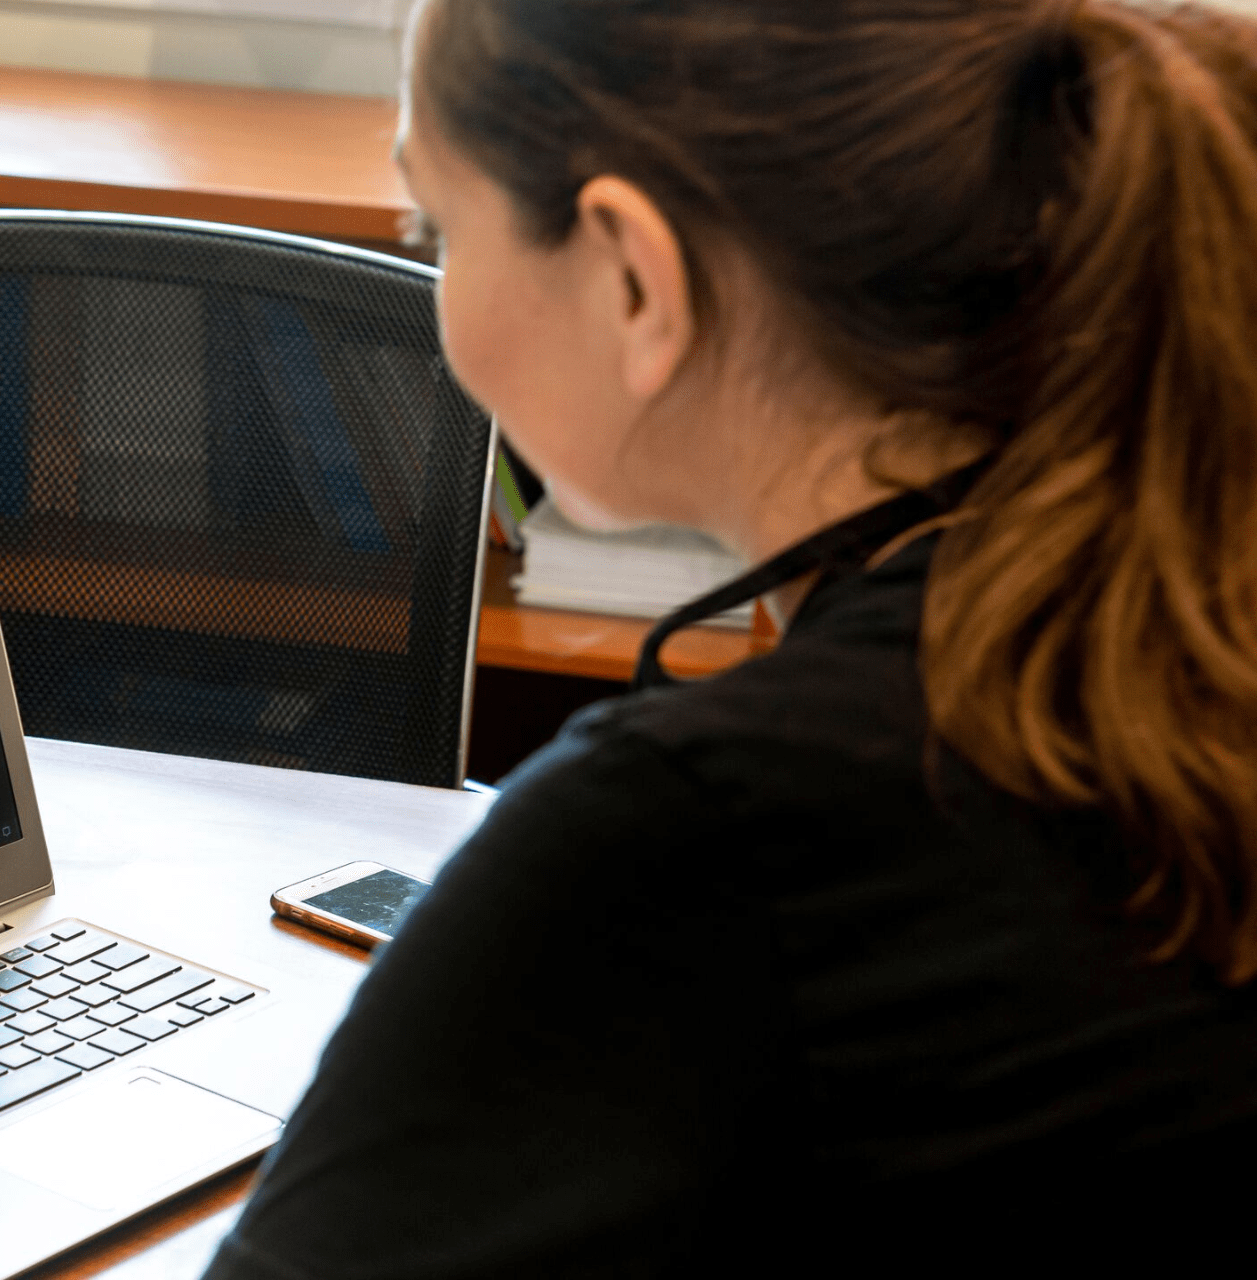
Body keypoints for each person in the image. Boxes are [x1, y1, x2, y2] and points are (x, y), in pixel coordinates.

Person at [205, 1, 1257, 1275]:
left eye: (440, 226)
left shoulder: (697, 831)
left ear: (633, 275)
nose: (434, 282)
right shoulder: (1182, 631)